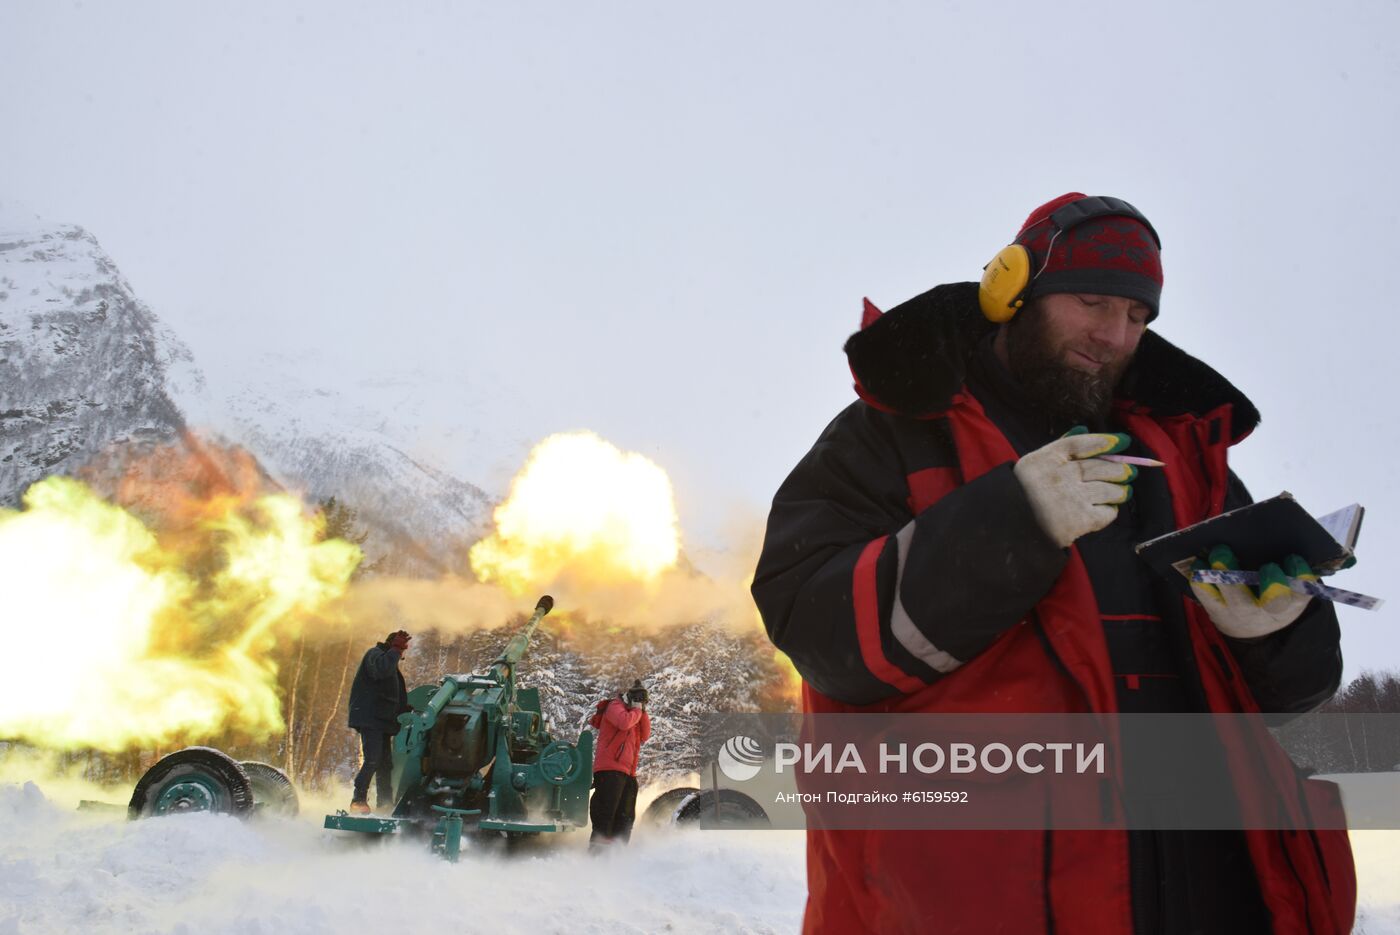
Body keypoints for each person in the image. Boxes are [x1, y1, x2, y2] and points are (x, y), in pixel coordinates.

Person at [752, 194, 1355, 934]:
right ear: (1013, 290)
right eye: (1092, 300)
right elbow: (815, 628)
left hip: (1208, 885)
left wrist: (1278, 631)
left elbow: (1295, 694)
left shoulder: (1185, 454)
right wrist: (1009, 521)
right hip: (985, 896)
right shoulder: (896, 430)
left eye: (1138, 317)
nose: (1113, 334)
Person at [347, 629, 411, 814]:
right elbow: (381, 671)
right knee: (373, 759)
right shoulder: (375, 655)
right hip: (370, 717)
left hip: (381, 719)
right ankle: (358, 799)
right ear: (392, 645)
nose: (401, 654)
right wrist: (395, 650)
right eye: (401, 649)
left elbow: (389, 693)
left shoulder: (387, 660)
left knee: (385, 764)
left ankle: (385, 803)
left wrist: (403, 709)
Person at [588, 679, 651, 849]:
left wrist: (641, 711)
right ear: (628, 697)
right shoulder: (614, 706)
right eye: (637, 699)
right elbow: (624, 723)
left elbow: (645, 734)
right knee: (606, 813)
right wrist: (636, 710)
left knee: (626, 815)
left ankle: (618, 850)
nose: (639, 704)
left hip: (628, 772)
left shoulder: (634, 714)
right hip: (609, 769)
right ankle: (597, 852)